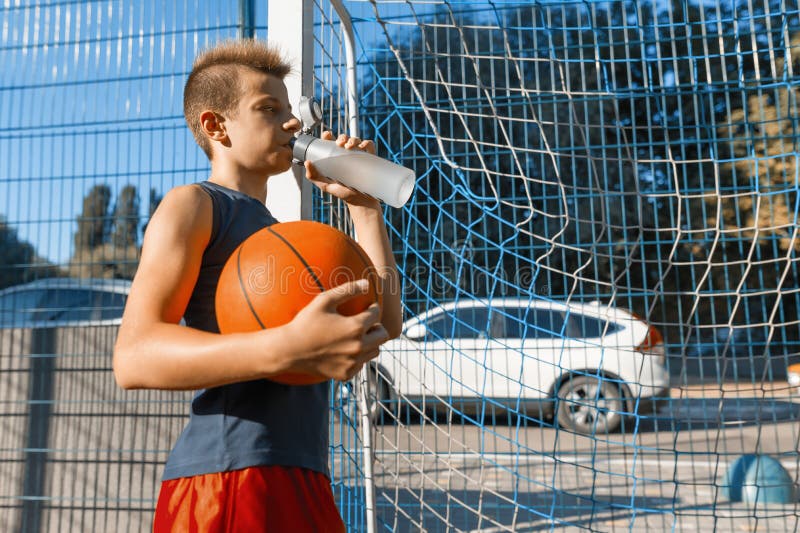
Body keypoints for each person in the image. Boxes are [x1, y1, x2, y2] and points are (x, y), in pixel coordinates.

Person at [112, 39, 403, 532]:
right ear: (215, 125)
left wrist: (365, 210)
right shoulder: (195, 205)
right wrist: (286, 347)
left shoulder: (284, 237)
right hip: (227, 476)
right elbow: (134, 356)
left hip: (305, 471)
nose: (293, 123)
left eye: (291, 111)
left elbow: (386, 322)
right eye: (269, 109)